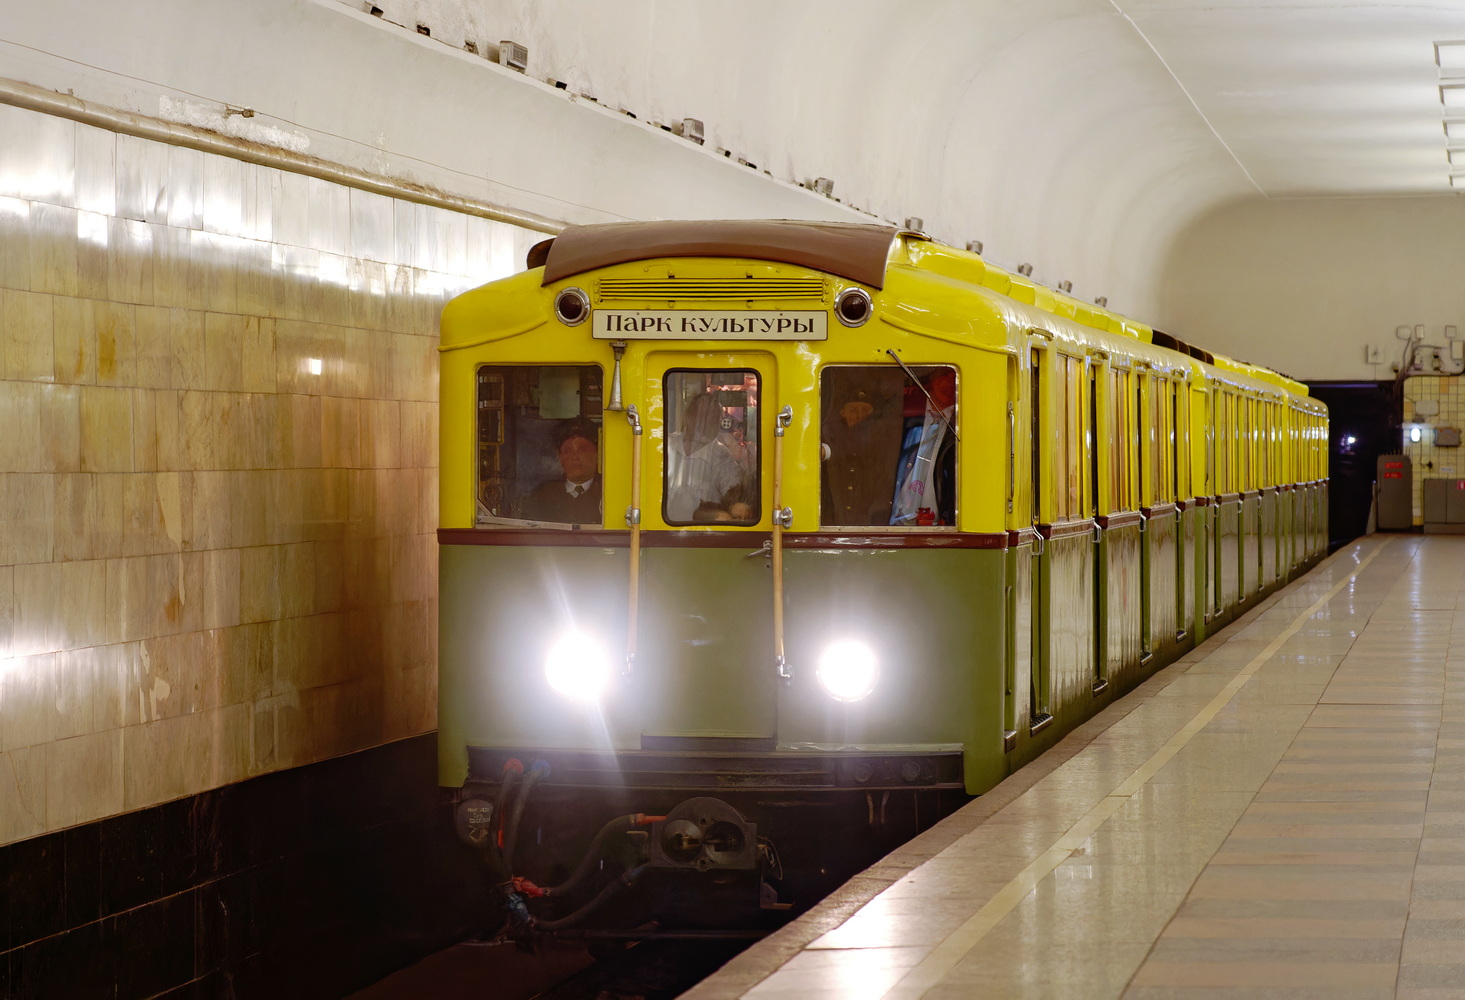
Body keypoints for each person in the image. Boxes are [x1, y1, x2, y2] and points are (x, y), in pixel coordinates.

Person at [665, 394, 747, 522]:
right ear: (689, 417)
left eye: (714, 419)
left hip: (701, 529)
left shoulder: (721, 456)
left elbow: (734, 502)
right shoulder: (667, 444)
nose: (707, 424)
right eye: (702, 417)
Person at [521, 417, 602, 524]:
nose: (575, 456)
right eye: (567, 451)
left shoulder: (607, 492)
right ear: (560, 457)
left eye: (583, 449)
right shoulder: (542, 496)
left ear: (597, 454)